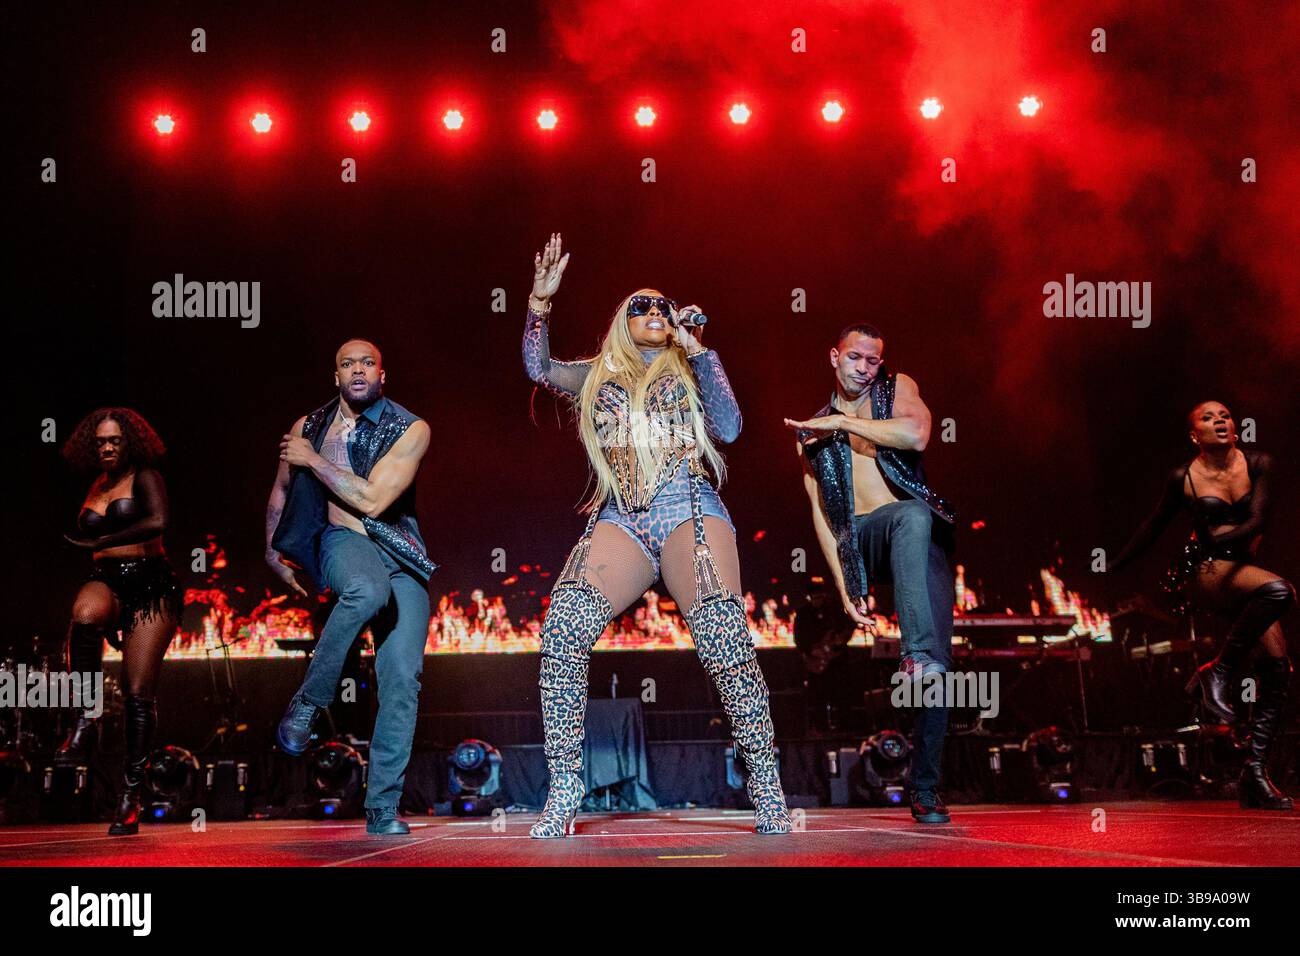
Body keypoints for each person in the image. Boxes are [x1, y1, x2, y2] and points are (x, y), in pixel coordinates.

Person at [523, 232, 791, 837]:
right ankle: (566, 786)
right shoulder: (595, 375)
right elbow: (537, 368)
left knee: (724, 643)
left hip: (688, 511)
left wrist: (700, 352)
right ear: (622, 319)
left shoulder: (690, 368)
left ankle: (767, 785)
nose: (653, 313)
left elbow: (730, 426)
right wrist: (539, 305)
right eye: (640, 306)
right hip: (620, 516)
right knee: (563, 631)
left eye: (662, 308)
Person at [785, 323, 956, 824]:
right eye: (855, 357)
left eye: (873, 360)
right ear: (833, 357)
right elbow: (819, 512)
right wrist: (843, 586)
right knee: (909, 516)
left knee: (937, 671)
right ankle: (917, 653)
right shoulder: (810, 429)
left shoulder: (896, 390)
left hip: (916, 537)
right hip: (861, 539)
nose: (864, 368)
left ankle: (924, 788)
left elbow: (917, 433)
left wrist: (845, 424)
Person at [267, 339, 438, 834]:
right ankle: (310, 702)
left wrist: (314, 460)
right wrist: (271, 551)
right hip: (342, 541)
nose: (358, 370)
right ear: (335, 375)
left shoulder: (410, 428)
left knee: (403, 679)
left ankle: (382, 809)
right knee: (365, 590)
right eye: (348, 363)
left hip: (400, 551)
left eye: (367, 363)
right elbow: (280, 489)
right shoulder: (308, 427)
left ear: (383, 375)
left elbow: (373, 498)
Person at [1109, 400, 1293, 810]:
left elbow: (1258, 520)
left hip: (1242, 571)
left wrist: (1211, 539)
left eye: (1225, 415)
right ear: (1195, 436)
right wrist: (1114, 565)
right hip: (1206, 572)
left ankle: (1255, 773)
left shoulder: (1260, 462)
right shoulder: (1184, 477)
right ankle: (1219, 671)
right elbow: (1153, 526)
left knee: (1277, 666)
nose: (1220, 421)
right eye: (1208, 418)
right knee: (1280, 592)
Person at [59, 408, 182, 836]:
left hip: (151, 588)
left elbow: (158, 521)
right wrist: (100, 548)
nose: (107, 448)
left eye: (114, 440)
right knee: (84, 613)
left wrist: (104, 539)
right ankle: (87, 716)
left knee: (137, 692)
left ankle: (131, 794)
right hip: (106, 581)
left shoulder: (145, 476)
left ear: (130, 442)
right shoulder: (97, 484)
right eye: (99, 442)